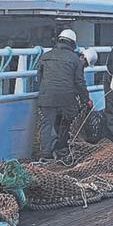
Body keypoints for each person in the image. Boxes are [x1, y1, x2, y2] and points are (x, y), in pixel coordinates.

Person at [36, 29, 91, 160]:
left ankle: (45, 156)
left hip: (46, 97)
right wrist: (86, 100)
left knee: (46, 125)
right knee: (72, 122)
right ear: (73, 43)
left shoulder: (45, 56)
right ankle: (66, 149)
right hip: (67, 98)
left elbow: (39, 78)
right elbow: (79, 82)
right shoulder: (75, 59)